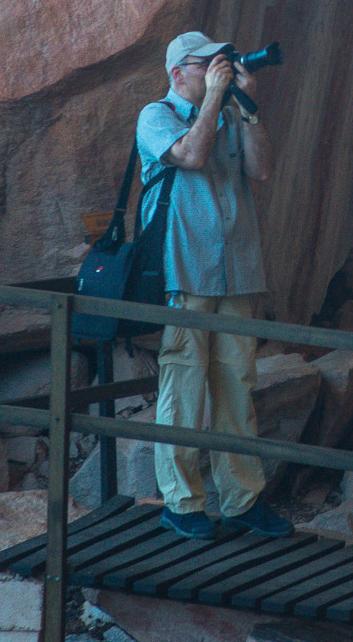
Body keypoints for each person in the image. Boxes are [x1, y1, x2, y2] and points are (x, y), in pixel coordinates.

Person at [135, 31, 292, 539]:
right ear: (178, 72)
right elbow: (192, 155)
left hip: (238, 271)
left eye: (218, 62)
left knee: (236, 387)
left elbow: (262, 170)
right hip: (185, 271)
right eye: (204, 65)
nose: (215, 70)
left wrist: (248, 108)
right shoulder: (156, 115)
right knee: (183, 387)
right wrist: (215, 101)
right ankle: (182, 503)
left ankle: (243, 499)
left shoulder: (229, 114)